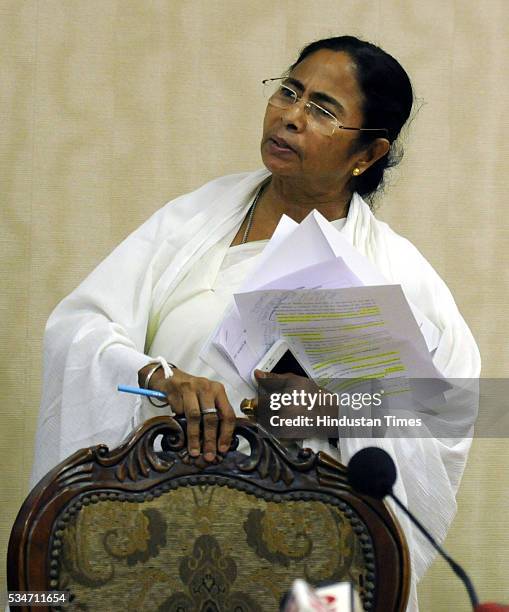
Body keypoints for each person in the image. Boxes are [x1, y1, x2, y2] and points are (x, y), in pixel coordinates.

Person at [32, 36, 480, 611]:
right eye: (289, 91)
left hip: (307, 563)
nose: (290, 117)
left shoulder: (397, 277)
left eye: (322, 110)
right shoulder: (191, 221)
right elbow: (78, 328)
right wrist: (159, 376)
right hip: (148, 542)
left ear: (367, 154)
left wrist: (335, 413)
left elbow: (458, 413)